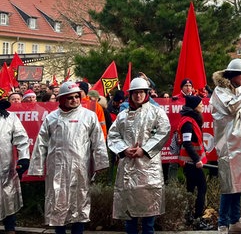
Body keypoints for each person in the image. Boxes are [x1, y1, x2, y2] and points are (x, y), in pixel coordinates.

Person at [28, 82, 109, 234]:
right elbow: (41, 143)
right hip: (57, 169)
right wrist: (37, 167)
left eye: (77, 96)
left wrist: (101, 163)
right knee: (58, 204)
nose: (74, 100)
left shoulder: (89, 116)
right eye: (70, 97)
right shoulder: (51, 118)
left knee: (79, 204)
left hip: (80, 169)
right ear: (62, 99)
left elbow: (98, 141)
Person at [107, 77, 170, 234]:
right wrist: (124, 149)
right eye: (135, 93)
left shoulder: (157, 113)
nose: (138, 96)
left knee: (148, 217)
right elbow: (113, 135)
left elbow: (164, 131)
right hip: (128, 167)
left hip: (148, 168)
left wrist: (145, 149)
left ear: (147, 93)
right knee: (130, 217)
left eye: (141, 92)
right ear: (130, 95)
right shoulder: (122, 116)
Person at [210, 58, 241, 234]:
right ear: (234, 75)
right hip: (228, 145)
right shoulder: (219, 92)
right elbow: (231, 108)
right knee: (228, 185)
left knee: (240, 184)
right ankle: (222, 224)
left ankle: (235, 221)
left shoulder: (238, 90)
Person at [177, 95, 213, 230]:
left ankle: (189, 217)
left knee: (191, 190)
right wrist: (197, 160)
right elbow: (187, 143)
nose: (203, 105)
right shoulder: (188, 122)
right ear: (194, 107)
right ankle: (198, 219)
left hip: (191, 163)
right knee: (201, 188)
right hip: (191, 163)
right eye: (200, 103)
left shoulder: (191, 119)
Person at [0, 98, 30, 234]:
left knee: (8, 200)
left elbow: (22, 138)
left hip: (5, 169)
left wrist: (23, 158)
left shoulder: (10, 118)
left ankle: (10, 229)